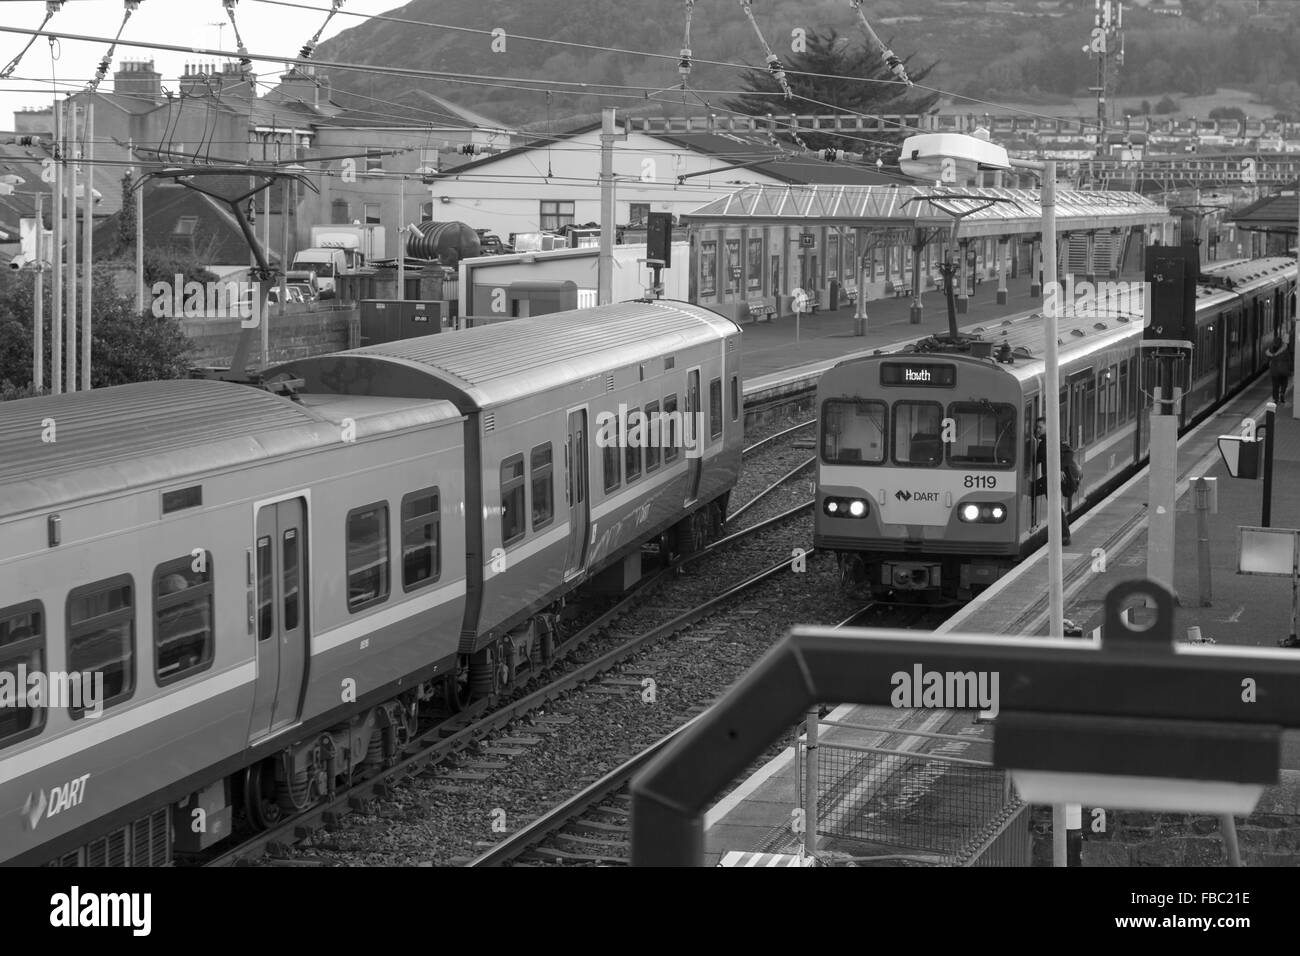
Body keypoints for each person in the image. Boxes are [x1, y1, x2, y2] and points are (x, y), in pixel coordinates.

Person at [1033, 417, 1071, 547]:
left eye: (1040, 427)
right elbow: (1038, 459)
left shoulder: (1051, 440)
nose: (1037, 430)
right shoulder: (1045, 441)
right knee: (1055, 507)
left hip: (1052, 479)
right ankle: (1063, 535)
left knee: (1054, 506)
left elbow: (1069, 453)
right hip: (1048, 479)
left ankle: (1065, 536)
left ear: (1048, 426)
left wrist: (1059, 469)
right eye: (1036, 427)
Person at [1265, 334, 1292, 405]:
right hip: (1283, 370)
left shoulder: (1270, 350)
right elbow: (1289, 360)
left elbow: (1268, 360)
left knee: (1275, 386)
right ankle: (1282, 393)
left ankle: (1276, 399)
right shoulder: (1285, 350)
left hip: (1274, 371)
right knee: (1284, 383)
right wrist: (1290, 369)